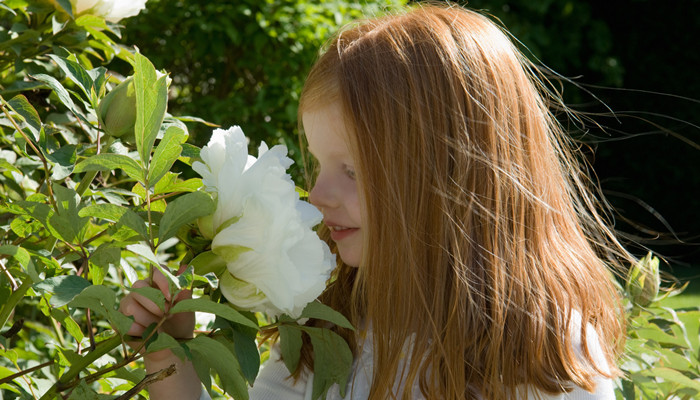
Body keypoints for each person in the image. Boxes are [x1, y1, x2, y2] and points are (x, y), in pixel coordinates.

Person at [119, 3, 634, 399]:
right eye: (319, 165)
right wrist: (173, 359)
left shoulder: (547, 357)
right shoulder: (325, 328)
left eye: (353, 171)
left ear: (454, 179)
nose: (318, 196)